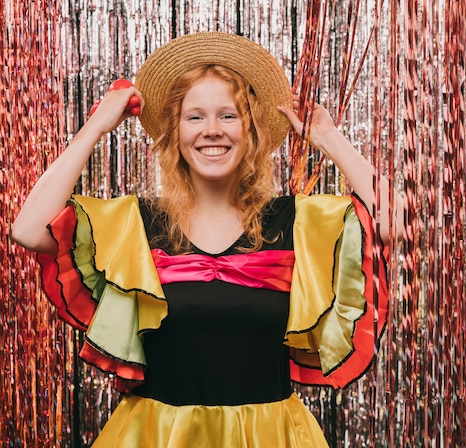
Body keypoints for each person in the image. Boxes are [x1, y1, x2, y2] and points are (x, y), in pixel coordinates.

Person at [12, 32, 394, 447]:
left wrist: (330, 140)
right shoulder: (137, 224)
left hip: (270, 436)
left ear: (251, 131)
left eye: (228, 116)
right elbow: (29, 229)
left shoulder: (292, 221)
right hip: (157, 437)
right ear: (174, 133)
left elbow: (388, 223)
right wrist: (95, 126)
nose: (212, 130)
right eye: (195, 117)